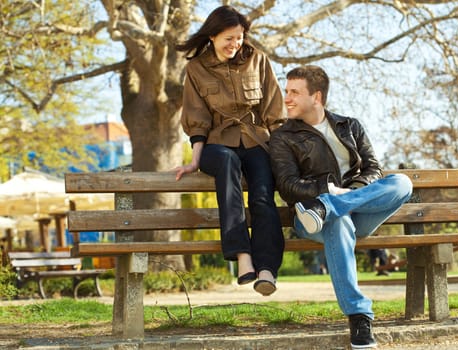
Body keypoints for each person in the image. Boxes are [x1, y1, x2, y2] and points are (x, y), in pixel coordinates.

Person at [269, 65, 413, 348]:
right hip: (310, 217)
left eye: (294, 93)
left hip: (355, 210)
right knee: (338, 222)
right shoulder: (283, 137)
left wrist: (346, 196)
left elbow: (373, 169)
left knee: (402, 183)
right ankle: (359, 315)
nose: (287, 98)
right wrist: (327, 190)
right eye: (286, 92)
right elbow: (287, 185)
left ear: (317, 97)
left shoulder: (350, 126)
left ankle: (330, 207)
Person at [171, 6, 285, 296]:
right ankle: (242, 256)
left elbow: (274, 112)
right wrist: (194, 162)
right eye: (228, 38)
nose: (235, 44)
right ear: (211, 36)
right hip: (217, 146)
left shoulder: (257, 60)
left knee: (262, 197)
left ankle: (267, 270)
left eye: (239, 37)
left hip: (256, 142)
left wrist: (283, 154)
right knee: (226, 164)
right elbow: (197, 120)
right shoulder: (196, 69)